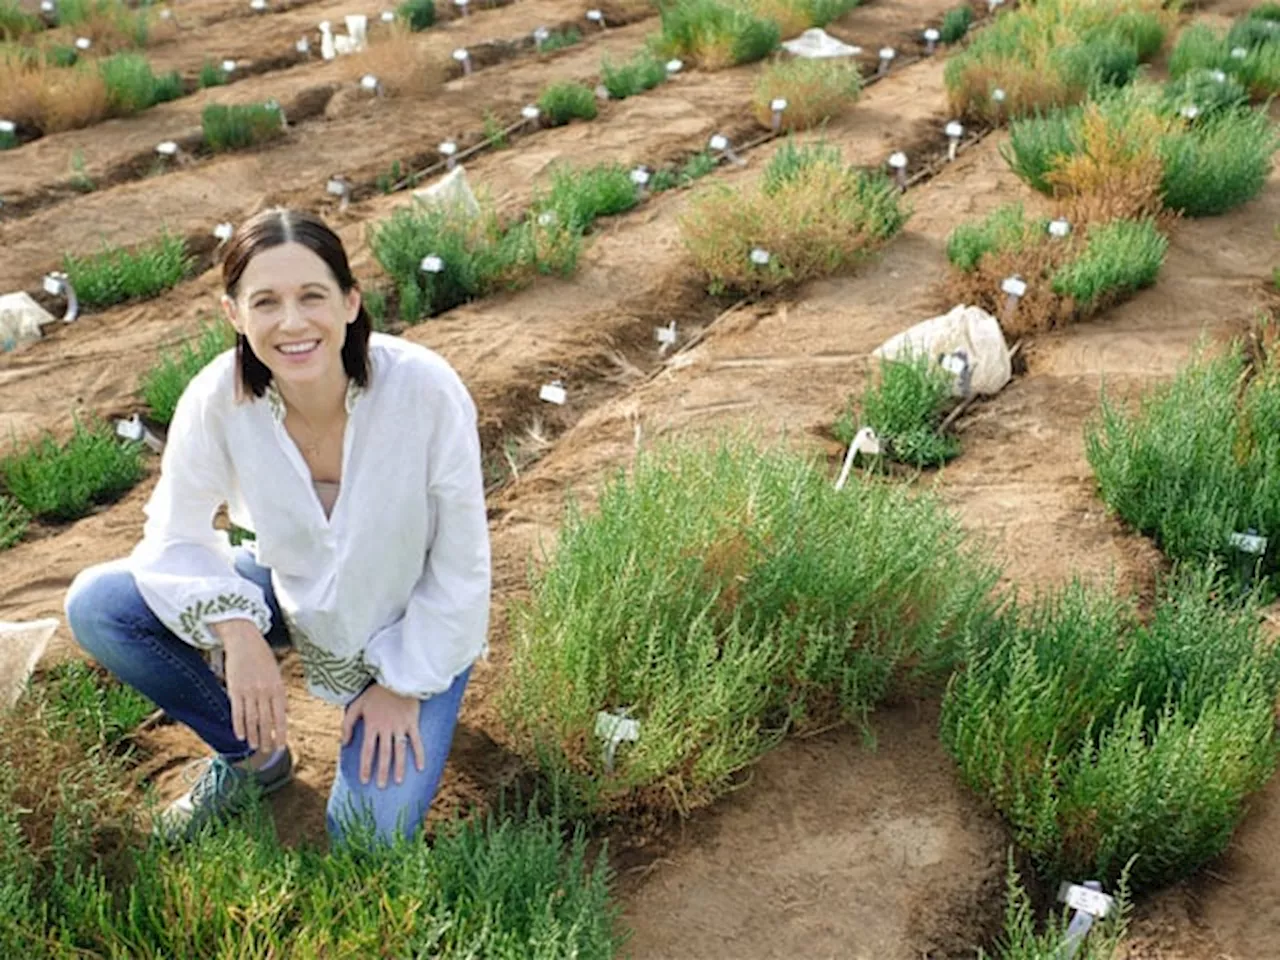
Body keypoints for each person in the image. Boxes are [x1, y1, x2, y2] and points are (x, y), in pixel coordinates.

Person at [63, 208, 491, 847]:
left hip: (405, 622)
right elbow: (173, 533)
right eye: (265, 301)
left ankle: (423, 698)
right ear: (234, 314)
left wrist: (401, 686)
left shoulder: (425, 393)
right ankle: (252, 759)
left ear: (350, 302)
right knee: (101, 605)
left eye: (311, 297)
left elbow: (461, 567)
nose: (292, 323)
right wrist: (237, 631)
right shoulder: (219, 397)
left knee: (365, 838)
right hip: (289, 589)